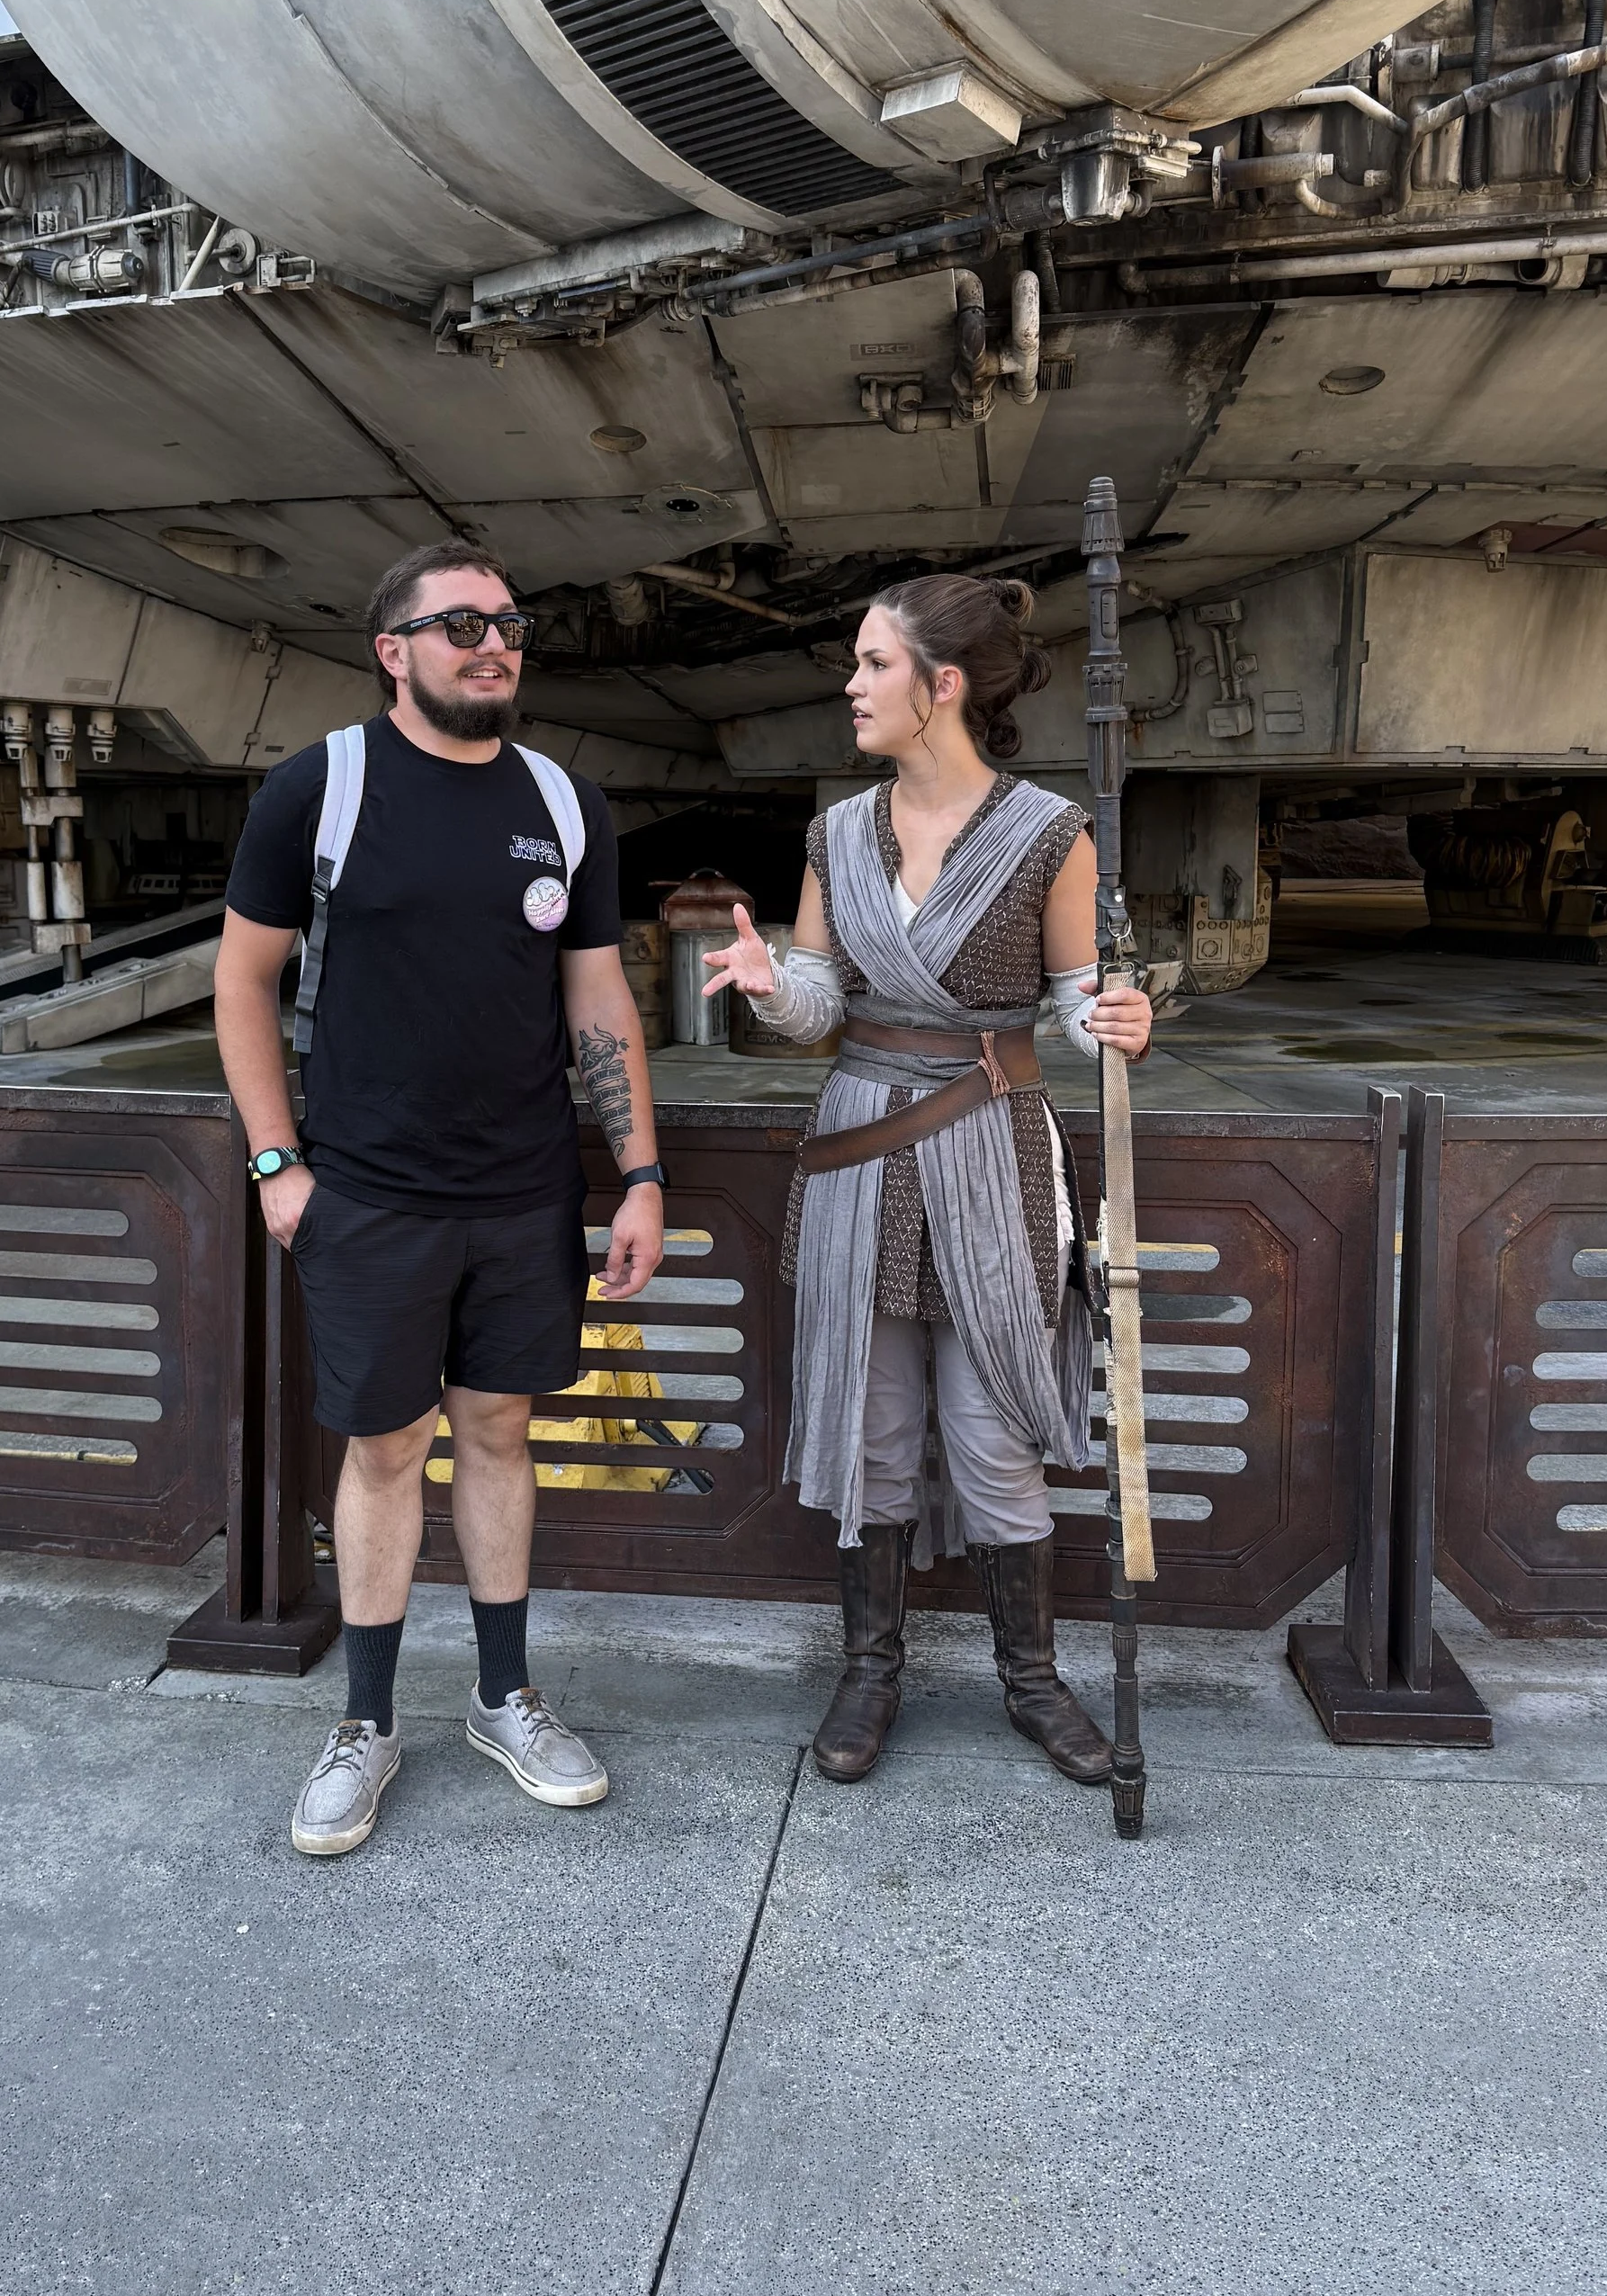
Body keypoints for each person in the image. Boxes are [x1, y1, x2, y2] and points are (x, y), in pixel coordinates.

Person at [214, 543, 668, 1857]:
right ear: (393, 649)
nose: (492, 642)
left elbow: (596, 999)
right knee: (382, 1453)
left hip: (524, 1192)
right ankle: (365, 1722)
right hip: (367, 1194)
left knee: (504, 1435)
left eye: (510, 622)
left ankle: (504, 1697)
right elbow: (243, 983)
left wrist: (638, 1172)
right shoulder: (323, 788)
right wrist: (274, 1163)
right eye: (459, 622)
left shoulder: (565, 803)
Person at [702, 575, 1153, 1788]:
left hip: (990, 1149)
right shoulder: (835, 835)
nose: (850, 686)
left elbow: (1070, 1008)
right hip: (858, 1151)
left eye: (871, 664)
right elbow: (817, 1009)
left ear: (942, 685)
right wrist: (764, 980)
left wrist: (1122, 1010)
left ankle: (1032, 1678)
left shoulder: (1049, 832)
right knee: (874, 1427)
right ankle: (872, 1670)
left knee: (994, 1429)